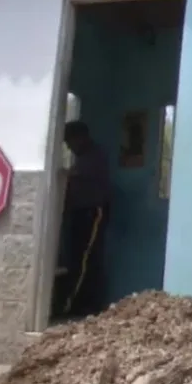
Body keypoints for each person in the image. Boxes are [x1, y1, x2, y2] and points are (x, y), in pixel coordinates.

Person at [62, 120, 111, 316]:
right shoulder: (82, 157)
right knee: (79, 258)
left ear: (80, 138)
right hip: (81, 212)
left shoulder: (94, 157)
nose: (69, 146)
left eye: (70, 141)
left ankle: (81, 306)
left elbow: (74, 177)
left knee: (86, 260)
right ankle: (81, 304)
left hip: (92, 212)